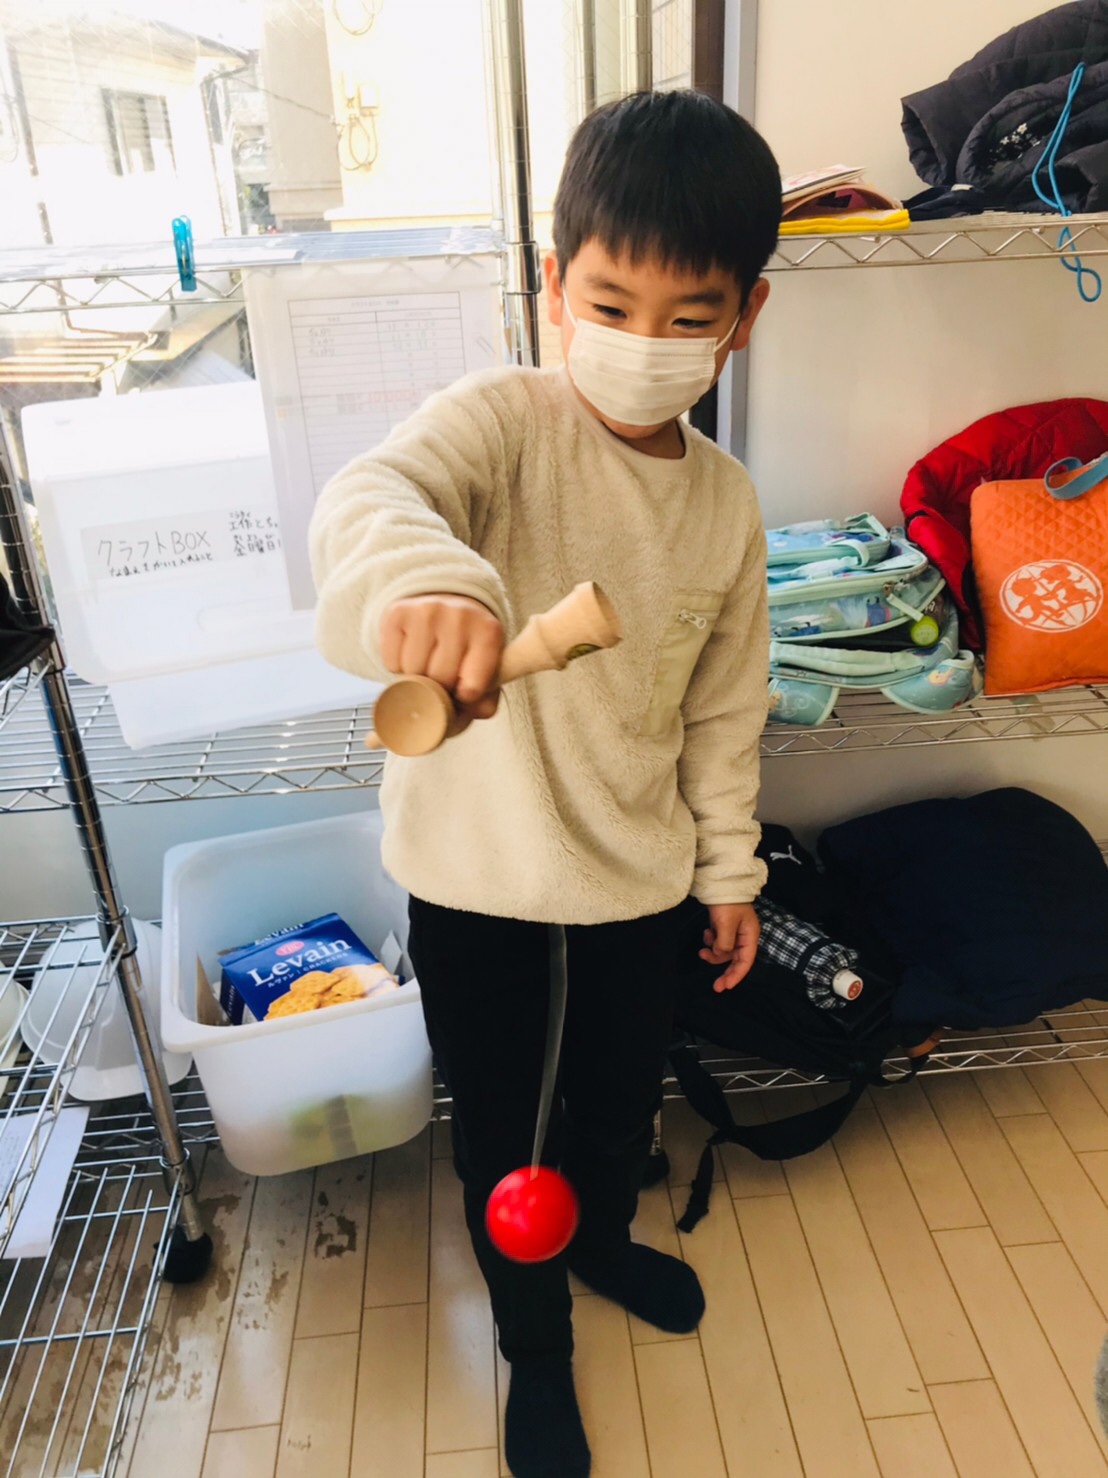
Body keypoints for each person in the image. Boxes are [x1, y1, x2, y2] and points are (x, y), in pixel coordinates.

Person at [309, 89, 781, 1478]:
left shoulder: (726, 503)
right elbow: (374, 498)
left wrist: (730, 871)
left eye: (688, 316)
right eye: (610, 303)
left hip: (636, 886)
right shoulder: (503, 423)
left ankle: (607, 1243)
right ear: (552, 282)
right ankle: (535, 1345)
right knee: (508, 1152)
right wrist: (427, 584)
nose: (642, 341)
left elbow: (725, 711)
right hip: (479, 888)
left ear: (745, 316)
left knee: (620, 1115)